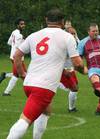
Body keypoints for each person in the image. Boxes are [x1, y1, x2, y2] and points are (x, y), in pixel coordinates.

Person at [6, 8, 85, 139]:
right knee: (25, 120)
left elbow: (17, 55)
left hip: (29, 83)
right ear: (62, 22)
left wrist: (22, 74)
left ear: (46, 20)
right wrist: (83, 70)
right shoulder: (67, 37)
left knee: (46, 111)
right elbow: (77, 63)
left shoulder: (34, 35)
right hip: (44, 87)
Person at [0, 18, 26, 96]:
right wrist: (24, 41)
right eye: (21, 24)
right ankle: (6, 92)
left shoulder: (14, 32)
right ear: (17, 25)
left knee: (19, 74)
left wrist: (14, 47)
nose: (23, 25)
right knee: (22, 75)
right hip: (17, 57)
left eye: (23, 24)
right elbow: (19, 47)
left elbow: (9, 42)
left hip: (13, 56)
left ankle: (5, 76)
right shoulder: (19, 35)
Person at [58, 26, 80, 112]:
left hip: (71, 69)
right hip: (64, 70)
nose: (73, 35)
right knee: (74, 88)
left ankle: (72, 108)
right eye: (72, 33)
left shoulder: (74, 43)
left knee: (75, 88)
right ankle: (71, 108)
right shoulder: (63, 45)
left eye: (74, 33)